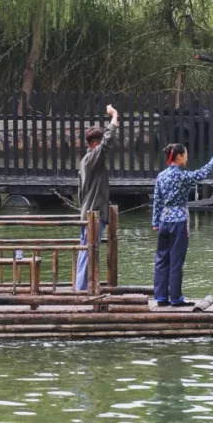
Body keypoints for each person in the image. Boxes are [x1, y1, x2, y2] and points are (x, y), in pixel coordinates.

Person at [152, 140, 213, 306]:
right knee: (176, 260)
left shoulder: (161, 175)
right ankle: (176, 298)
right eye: (186, 155)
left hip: (164, 220)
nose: (187, 157)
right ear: (179, 156)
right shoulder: (183, 176)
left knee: (161, 259)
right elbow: (204, 172)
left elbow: (157, 200)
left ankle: (161, 297)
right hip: (179, 221)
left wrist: (155, 221)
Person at [75, 103, 119, 291]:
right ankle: (82, 290)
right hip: (93, 214)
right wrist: (114, 116)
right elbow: (108, 140)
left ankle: (82, 287)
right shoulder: (93, 158)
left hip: (89, 212)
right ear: (95, 144)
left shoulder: (87, 161)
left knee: (87, 251)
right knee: (89, 252)